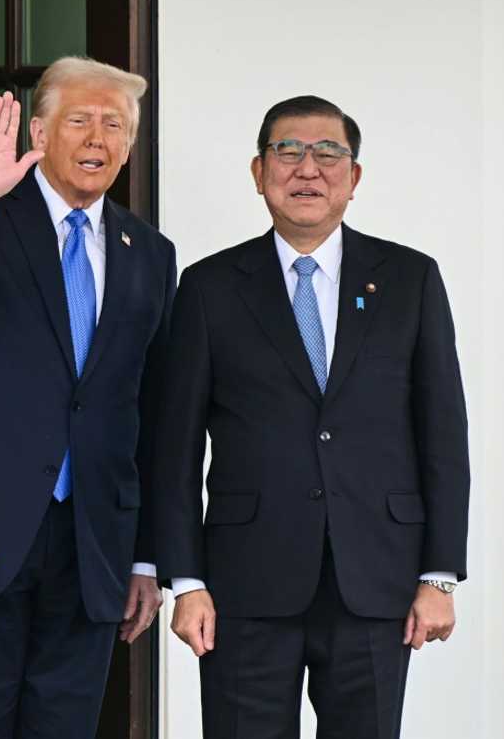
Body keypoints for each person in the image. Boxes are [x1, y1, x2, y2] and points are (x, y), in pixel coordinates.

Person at [155, 95, 470, 738]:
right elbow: (174, 447)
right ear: (258, 172)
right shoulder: (210, 287)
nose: (308, 169)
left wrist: (439, 574)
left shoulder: (409, 279)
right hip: (244, 585)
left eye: (329, 153)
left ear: (354, 178)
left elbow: (442, 435)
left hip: (375, 580)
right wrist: (185, 581)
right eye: (288, 151)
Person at [0, 57, 176, 738]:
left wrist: (146, 558)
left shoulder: (149, 253)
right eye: (79, 120)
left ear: (129, 146)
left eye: (114, 125)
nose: (98, 138)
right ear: (38, 130)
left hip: (94, 543)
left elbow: (150, 413)